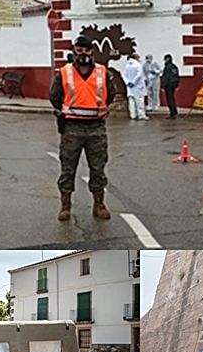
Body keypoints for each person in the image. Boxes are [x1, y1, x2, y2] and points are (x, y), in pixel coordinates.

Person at [48, 36, 119, 222]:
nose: (83, 54)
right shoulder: (64, 73)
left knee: (98, 167)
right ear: (74, 51)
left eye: (87, 51)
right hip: (72, 127)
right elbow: (54, 96)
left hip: (96, 127)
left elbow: (111, 94)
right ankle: (65, 206)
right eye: (79, 51)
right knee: (68, 168)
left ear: (92, 52)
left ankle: (99, 205)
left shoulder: (103, 72)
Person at [124, 53, 148, 120]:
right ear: (136, 58)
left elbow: (124, 75)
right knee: (139, 101)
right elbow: (139, 75)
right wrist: (134, 82)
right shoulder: (138, 65)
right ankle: (141, 115)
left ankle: (133, 115)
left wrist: (128, 82)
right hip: (138, 86)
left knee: (131, 101)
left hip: (130, 87)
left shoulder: (127, 65)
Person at [161, 54, 180, 119]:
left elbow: (166, 77)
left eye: (165, 59)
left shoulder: (167, 67)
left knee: (169, 99)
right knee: (172, 97)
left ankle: (172, 113)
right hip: (174, 83)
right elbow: (177, 76)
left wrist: (163, 85)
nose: (165, 61)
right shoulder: (175, 67)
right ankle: (174, 111)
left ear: (168, 59)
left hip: (169, 84)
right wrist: (177, 84)